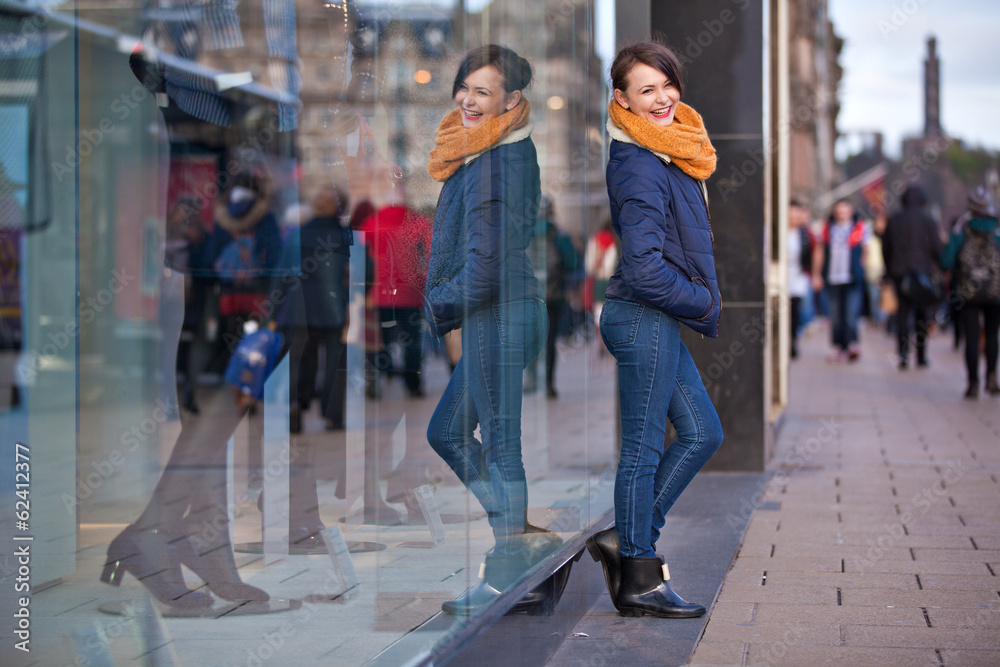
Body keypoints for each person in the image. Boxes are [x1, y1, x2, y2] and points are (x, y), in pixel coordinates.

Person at [586, 41, 723, 619]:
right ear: (622, 99)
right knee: (643, 451)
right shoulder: (639, 162)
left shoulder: (666, 150)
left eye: (667, 83)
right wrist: (702, 300)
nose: (663, 97)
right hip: (642, 315)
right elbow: (643, 266)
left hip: (653, 316)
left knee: (702, 433)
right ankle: (639, 575)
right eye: (647, 90)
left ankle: (628, 540)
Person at [424, 45, 558, 616]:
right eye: (465, 87)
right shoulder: (484, 152)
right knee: (448, 433)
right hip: (500, 312)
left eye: (483, 91)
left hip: (500, 312)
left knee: (503, 450)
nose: (468, 99)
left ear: (512, 100)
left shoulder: (500, 160)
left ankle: (510, 572)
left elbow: (485, 266)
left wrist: (436, 303)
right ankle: (522, 542)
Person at [356, 192, 433, 399]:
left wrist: (363, 290)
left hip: (379, 292)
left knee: (378, 339)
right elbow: (431, 253)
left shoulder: (372, 222)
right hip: (411, 291)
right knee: (413, 339)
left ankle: (377, 376)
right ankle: (413, 383)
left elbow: (360, 259)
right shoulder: (419, 222)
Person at [941, 186, 1000, 399]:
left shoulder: (961, 228)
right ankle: (992, 376)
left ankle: (973, 382)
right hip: (995, 291)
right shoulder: (997, 227)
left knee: (972, 337)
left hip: (967, 291)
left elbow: (947, 260)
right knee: (993, 334)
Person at [881, 185, 943, 369]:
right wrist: (941, 267)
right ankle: (921, 356)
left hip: (900, 274)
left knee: (902, 314)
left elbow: (886, 249)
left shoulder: (894, 221)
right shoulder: (929, 220)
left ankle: (903, 355)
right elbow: (937, 248)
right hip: (922, 273)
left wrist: (889, 270)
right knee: (922, 316)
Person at [814, 199, 868, 362]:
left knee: (851, 314)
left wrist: (860, 268)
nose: (841, 215)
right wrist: (817, 274)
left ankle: (852, 344)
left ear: (850, 211)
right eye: (839, 212)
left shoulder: (860, 228)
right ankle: (838, 347)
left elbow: (866, 250)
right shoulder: (828, 228)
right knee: (835, 316)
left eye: (845, 211)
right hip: (832, 278)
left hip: (852, 278)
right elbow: (820, 251)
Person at [788, 200, 814, 358]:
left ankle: (793, 339)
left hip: (797, 277)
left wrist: (813, 274)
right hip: (781, 277)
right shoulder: (775, 231)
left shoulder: (804, 235)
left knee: (796, 311)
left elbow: (815, 252)